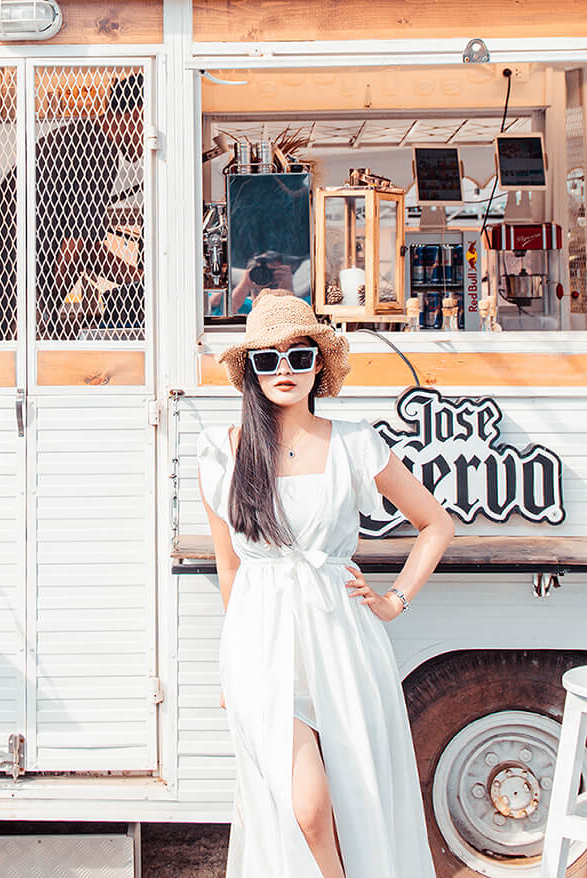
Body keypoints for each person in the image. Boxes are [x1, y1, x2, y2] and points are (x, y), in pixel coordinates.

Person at [197, 291, 454, 878]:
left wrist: (395, 601)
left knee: (359, 798)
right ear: (251, 375)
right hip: (260, 645)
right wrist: (229, 664)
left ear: (318, 364)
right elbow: (230, 566)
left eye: (299, 355)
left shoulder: (356, 442)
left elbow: (436, 524)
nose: (284, 370)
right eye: (267, 360)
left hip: (343, 643)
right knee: (306, 808)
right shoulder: (224, 452)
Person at [0, 72, 146, 341]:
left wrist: (137, 280)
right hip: (3, 299)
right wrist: (42, 314)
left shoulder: (78, 138)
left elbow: (85, 247)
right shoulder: (96, 151)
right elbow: (76, 249)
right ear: (137, 113)